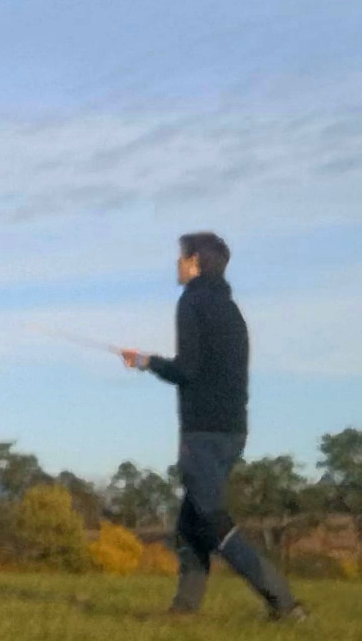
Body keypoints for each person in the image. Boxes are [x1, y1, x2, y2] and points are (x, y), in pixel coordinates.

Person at [120, 232, 305, 623]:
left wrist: (147, 363)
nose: (176, 265)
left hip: (202, 432)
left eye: (180, 258)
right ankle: (183, 610)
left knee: (211, 519)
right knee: (190, 524)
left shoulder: (191, 302)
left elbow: (187, 370)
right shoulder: (230, 308)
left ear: (194, 263)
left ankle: (285, 604)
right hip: (234, 431)